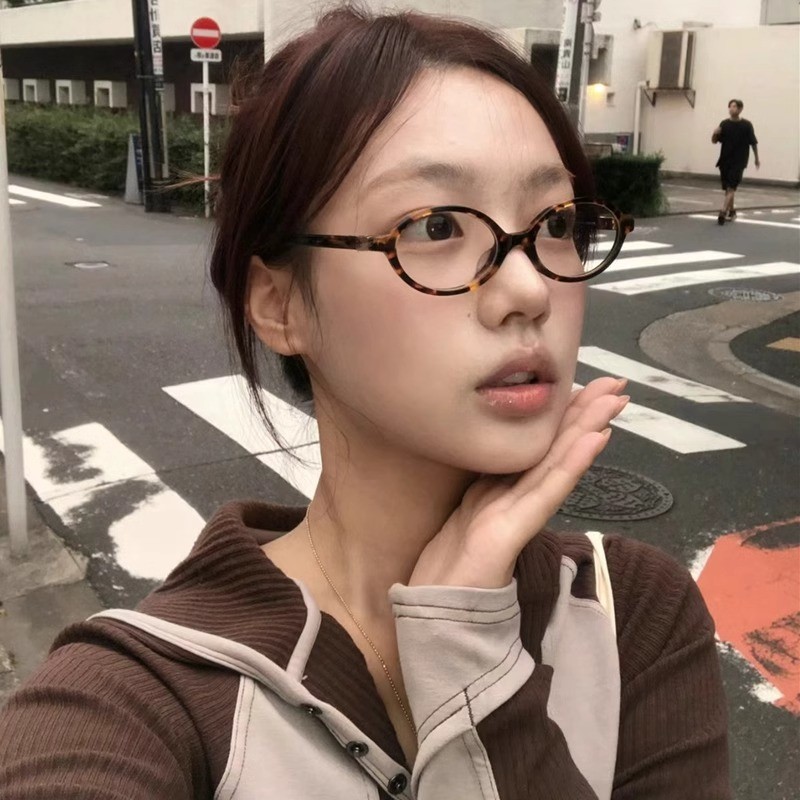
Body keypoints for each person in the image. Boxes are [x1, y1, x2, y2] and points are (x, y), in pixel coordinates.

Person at [0, 6, 730, 798]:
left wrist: (470, 654)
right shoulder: (135, 699)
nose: (530, 289)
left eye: (555, 221)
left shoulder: (630, 613)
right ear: (280, 304)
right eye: (436, 225)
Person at [712, 99, 760, 225]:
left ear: (740, 109)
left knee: (731, 186)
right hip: (725, 160)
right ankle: (732, 211)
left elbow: (753, 143)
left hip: (739, 160)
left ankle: (723, 211)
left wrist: (756, 158)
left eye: (734, 107)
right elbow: (714, 141)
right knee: (728, 188)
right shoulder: (724, 124)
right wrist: (714, 133)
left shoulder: (747, 125)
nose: (731, 109)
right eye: (730, 107)